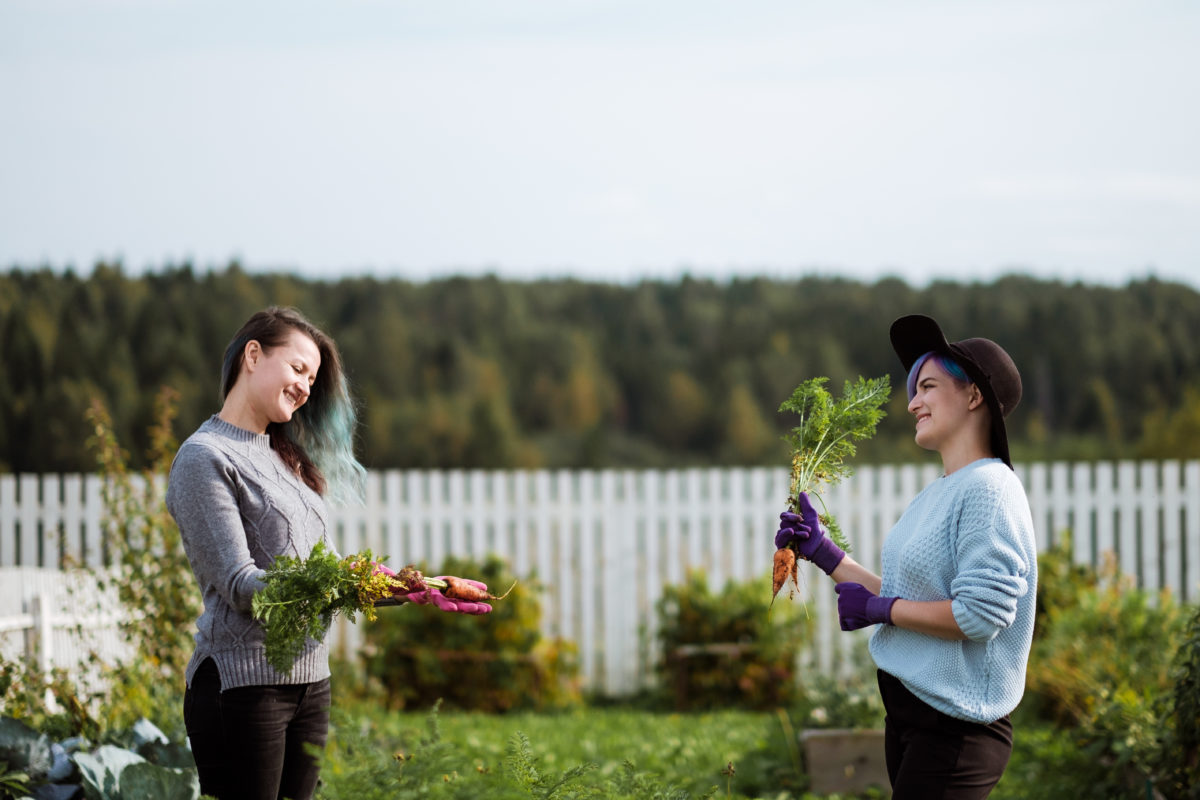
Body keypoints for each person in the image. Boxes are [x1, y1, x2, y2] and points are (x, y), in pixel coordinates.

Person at [166, 306, 490, 800]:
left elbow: (328, 572)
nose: (305, 387)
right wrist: (346, 583)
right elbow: (240, 586)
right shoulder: (204, 458)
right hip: (243, 685)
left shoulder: (285, 457)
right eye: (298, 368)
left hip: (311, 680)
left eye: (313, 379)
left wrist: (402, 587)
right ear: (253, 355)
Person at [776, 314, 1037, 799]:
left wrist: (881, 611)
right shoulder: (942, 491)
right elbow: (910, 596)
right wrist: (826, 554)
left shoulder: (990, 489)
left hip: (956, 728)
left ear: (974, 395)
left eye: (928, 386)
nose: (912, 401)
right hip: (913, 719)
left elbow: (979, 616)